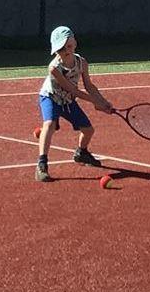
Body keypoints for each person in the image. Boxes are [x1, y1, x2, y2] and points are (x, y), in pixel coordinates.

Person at [36, 25, 114, 182]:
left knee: (88, 130)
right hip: (50, 98)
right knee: (49, 124)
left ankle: (81, 153)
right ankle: (42, 164)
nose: (66, 50)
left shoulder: (82, 63)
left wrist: (103, 102)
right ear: (55, 50)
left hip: (68, 101)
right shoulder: (54, 68)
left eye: (68, 46)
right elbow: (73, 90)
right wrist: (95, 102)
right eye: (60, 48)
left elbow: (89, 86)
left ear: (74, 43)